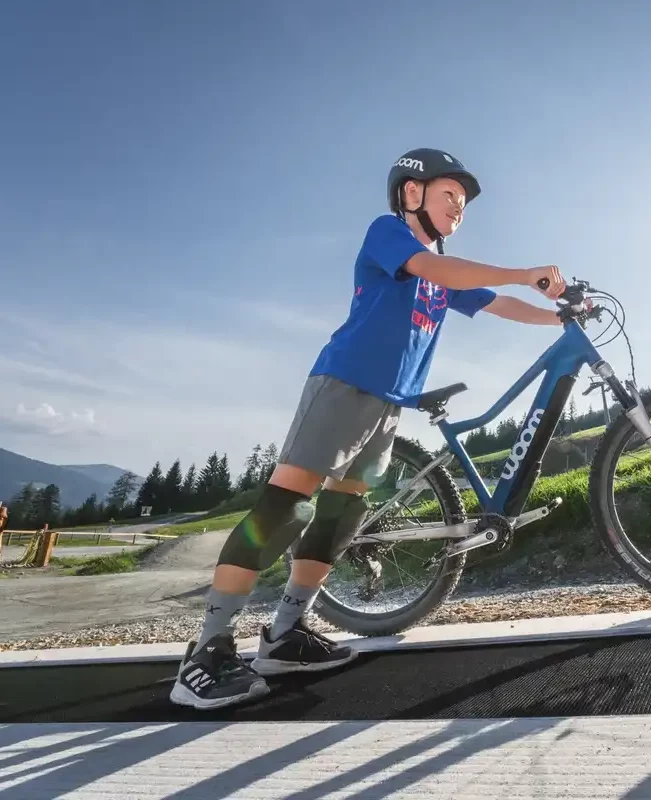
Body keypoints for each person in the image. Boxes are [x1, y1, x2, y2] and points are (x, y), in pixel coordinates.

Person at [170, 148, 568, 710]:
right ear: (412, 194)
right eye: (449, 194)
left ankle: (284, 635)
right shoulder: (389, 235)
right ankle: (205, 653)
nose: (459, 207)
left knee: (340, 516)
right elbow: (448, 271)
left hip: (387, 403)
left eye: (463, 201)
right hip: (345, 383)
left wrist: (560, 316)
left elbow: (497, 303)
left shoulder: (442, 274)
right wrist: (527, 274)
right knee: (287, 508)